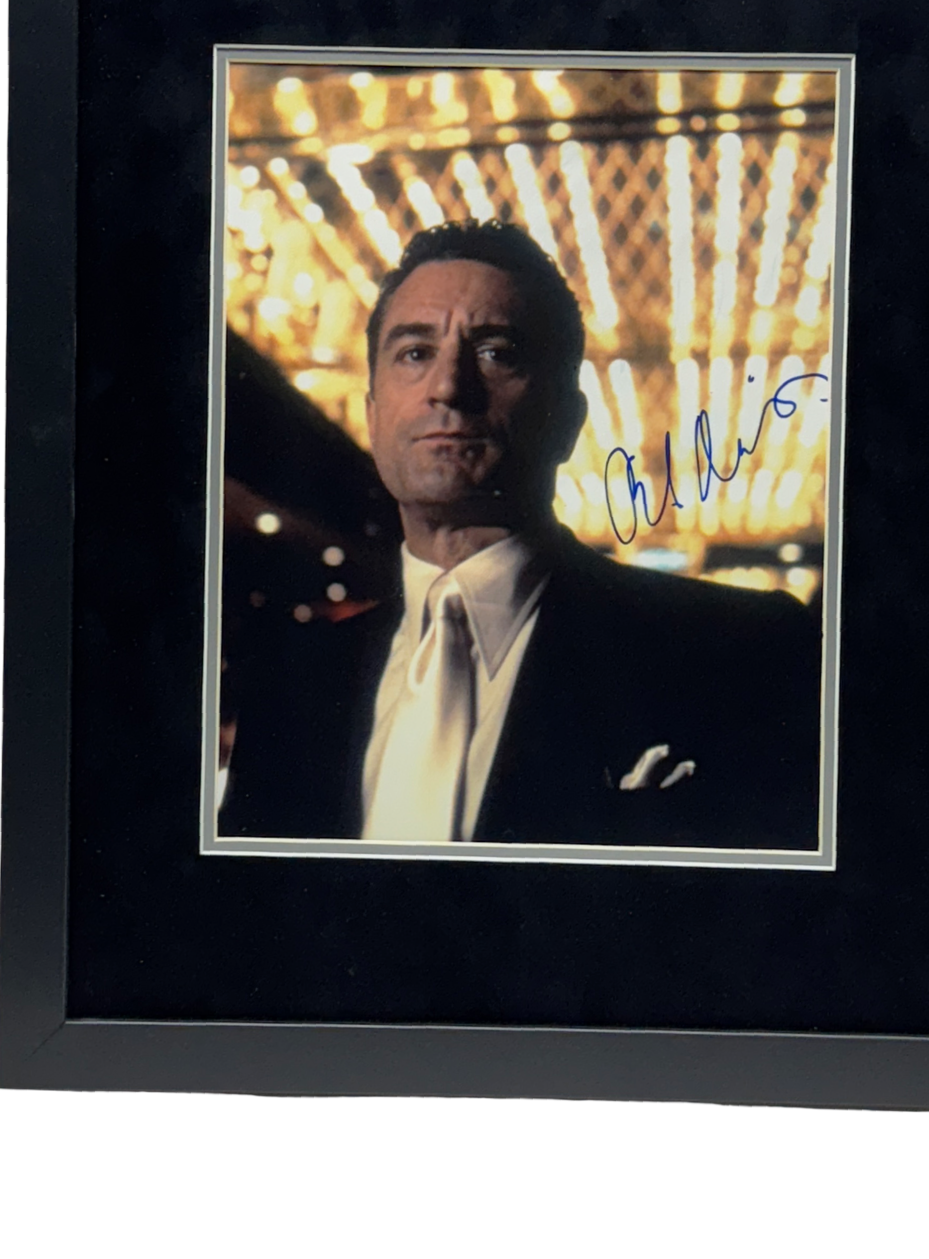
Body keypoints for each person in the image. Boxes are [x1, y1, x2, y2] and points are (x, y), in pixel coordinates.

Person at [220, 221, 822, 851]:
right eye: (416, 353)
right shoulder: (289, 683)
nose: (448, 388)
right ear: (372, 414)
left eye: (496, 353)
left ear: (568, 421)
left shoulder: (743, 651)